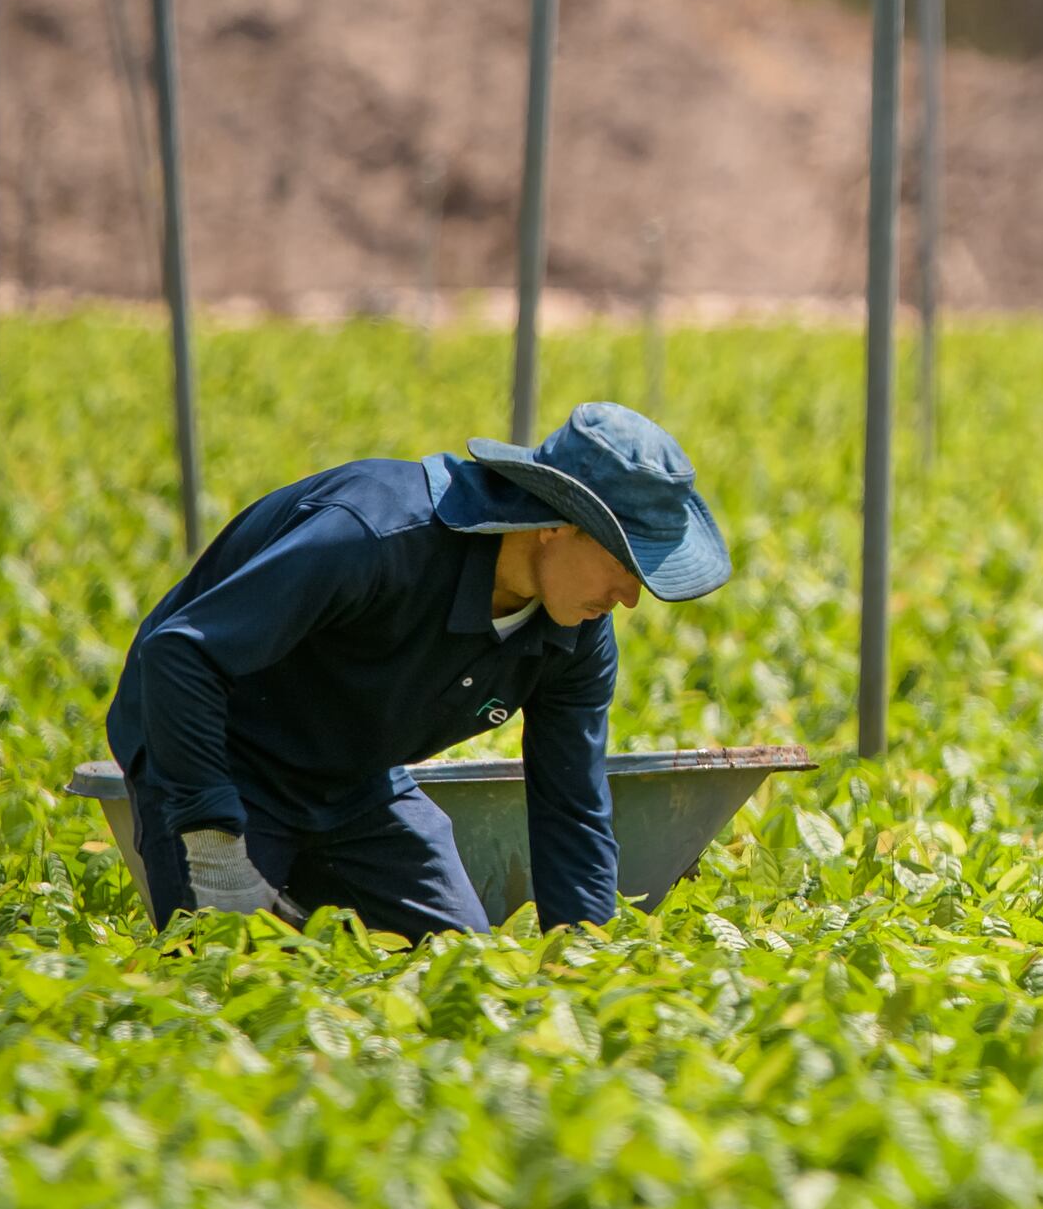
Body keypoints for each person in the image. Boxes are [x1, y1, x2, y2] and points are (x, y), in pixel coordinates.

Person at [103, 402, 728, 937]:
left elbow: (571, 804)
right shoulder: (376, 538)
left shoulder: (576, 634)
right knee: (226, 979)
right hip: (220, 755)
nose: (630, 597)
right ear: (556, 526)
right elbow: (180, 653)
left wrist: (585, 958)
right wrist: (214, 847)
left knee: (463, 967)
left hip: (354, 781)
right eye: (625, 564)